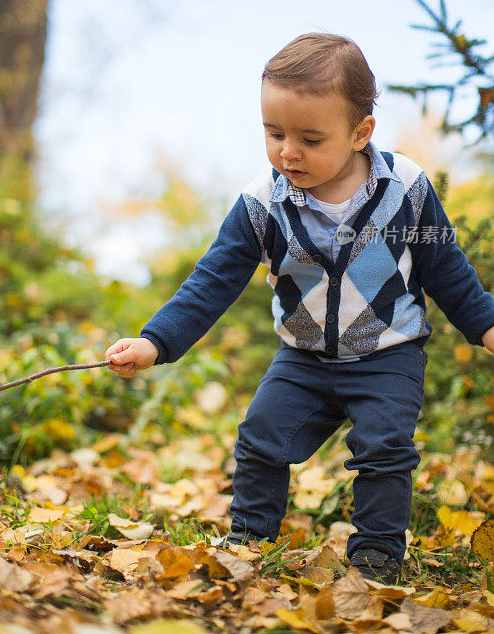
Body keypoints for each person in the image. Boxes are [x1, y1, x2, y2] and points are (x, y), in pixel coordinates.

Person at [104, 33, 494, 585]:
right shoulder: (262, 202)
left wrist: (485, 324)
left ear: (361, 133)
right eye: (274, 133)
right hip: (303, 359)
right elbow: (213, 280)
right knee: (261, 435)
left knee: (385, 446)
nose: (288, 151)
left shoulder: (406, 189)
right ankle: (249, 537)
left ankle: (376, 554)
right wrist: (155, 341)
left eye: (310, 139)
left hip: (388, 354)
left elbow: (445, 267)